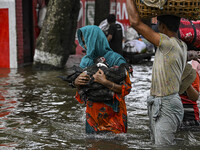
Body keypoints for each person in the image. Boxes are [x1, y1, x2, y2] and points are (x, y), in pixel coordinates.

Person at [126, 0, 187, 145]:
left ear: (162, 26)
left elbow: (135, 22)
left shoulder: (168, 44)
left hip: (166, 104)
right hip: (162, 102)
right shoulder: (181, 45)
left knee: (162, 147)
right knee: (157, 145)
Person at [74, 25, 132, 134]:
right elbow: (82, 96)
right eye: (83, 43)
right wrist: (77, 83)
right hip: (93, 118)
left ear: (95, 40)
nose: (85, 46)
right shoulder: (85, 62)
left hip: (114, 116)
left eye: (87, 41)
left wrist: (105, 82)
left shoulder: (116, 60)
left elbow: (127, 89)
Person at [179, 63, 200, 128]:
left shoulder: (191, 73)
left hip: (189, 113)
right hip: (170, 111)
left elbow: (194, 97)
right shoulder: (164, 72)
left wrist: (187, 83)